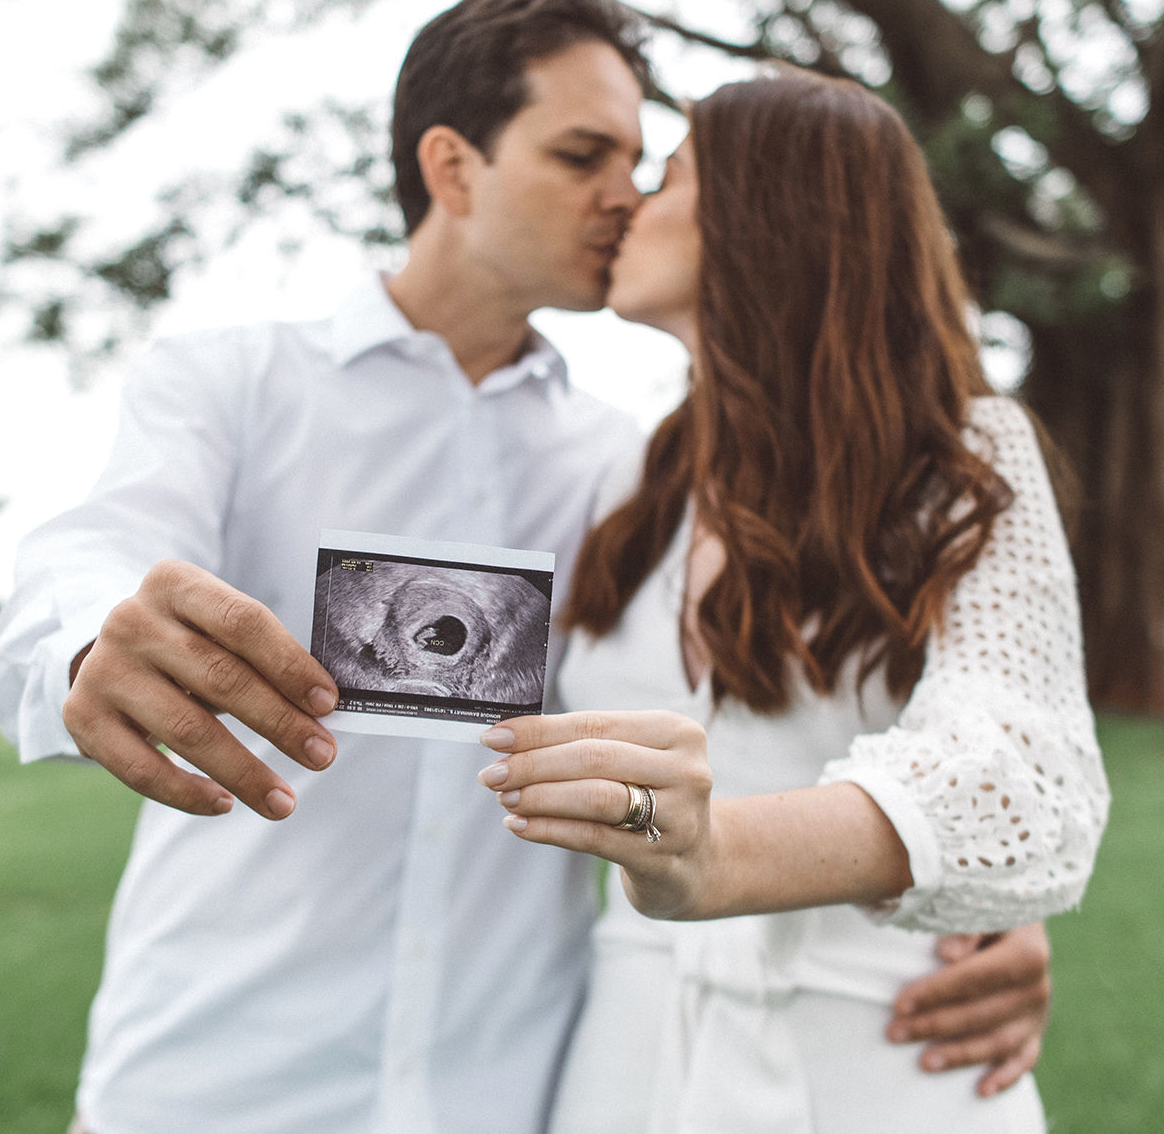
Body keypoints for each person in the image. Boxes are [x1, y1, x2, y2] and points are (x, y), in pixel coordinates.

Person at [0, 0, 1058, 1134]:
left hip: (513, 1092)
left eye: (645, 164)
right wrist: (97, 637)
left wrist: (977, 886)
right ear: (452, 169)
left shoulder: (623, 474)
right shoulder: (233, 389)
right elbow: (92, 558)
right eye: (584, 156)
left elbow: (804, 702)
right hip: (220, 1080)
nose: (627, 198)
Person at [475, 71, 1111, 1132]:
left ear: (762, 219)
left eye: (669, 175)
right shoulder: (622, 487)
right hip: (629, 1059)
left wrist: (719, 856)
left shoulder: (960, 464)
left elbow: (1026, 772)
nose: (630, 202)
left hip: (880, 1054)